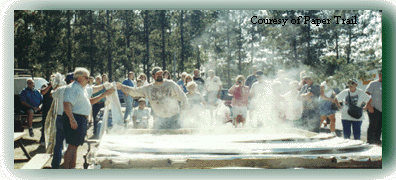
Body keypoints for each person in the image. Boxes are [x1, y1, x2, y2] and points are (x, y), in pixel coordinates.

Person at [61, 67, 115, 169]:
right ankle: (66, 169)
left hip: (80, 118)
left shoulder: (82, 88)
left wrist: (104, 87)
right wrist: (72, 119)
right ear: (79, 78)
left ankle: (71, 168)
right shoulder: (72, 88)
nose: (89, 80)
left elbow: (93, 92)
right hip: (74, 117)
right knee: (72, 147)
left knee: (75, 146)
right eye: (86, 77)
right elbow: (66, 104)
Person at [117, 67, 188, 129]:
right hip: (160, 120)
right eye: (157, 74)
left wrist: (183, 112)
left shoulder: (171, 84)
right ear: (153, 76)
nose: (160, 75)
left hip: (174, 119)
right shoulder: (149, 88)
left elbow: (183, 98)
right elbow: (134, 91)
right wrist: (122, 87)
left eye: (161, 74)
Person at [50, 72, 74, 169]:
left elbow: (52, 94)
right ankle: (68, 164)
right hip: (69, 117)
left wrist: (57, 87)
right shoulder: (74, 90)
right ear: (72, 81)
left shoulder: (60, 89)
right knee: (71, 144)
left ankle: (55, 164)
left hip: (59, 118)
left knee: (58, 144)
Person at [366, 69, 382, 145]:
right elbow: (366, 95)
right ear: (379, 75)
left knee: (380, 125)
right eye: (380, 74)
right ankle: (370, 141)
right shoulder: (373, 83)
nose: (381, 75)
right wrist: (369, 106)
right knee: (373, 125)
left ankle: (377, 140)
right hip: (374, 108)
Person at [39, 75, 55, 145]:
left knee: (53, 125)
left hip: (54, 108)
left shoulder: (57, 86)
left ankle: (51, 140)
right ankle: (43, 139)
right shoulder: (45, 85)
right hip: (46, 108)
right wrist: (50, 85)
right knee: (45, 124)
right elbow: (42, 92)